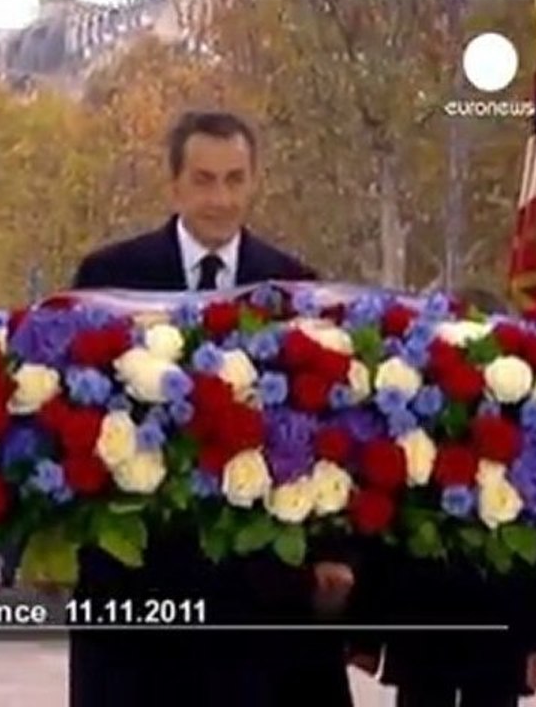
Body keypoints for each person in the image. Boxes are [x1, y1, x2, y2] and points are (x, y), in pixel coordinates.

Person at [70, 110, 357, 707]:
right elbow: (73, 416)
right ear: (174, 184)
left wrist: (335, 552)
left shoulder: (293, 286)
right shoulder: (110, 276)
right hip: (141, 575)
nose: (220, 198)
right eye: (203, 179)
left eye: (234, 178)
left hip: (259, 591)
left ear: (255, 182)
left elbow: (326, 430)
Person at [348, 286, 536, 707]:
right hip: (424, 618)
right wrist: (366, 633)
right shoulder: (415, 407)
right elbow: (383, 523)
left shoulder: (529, 416)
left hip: (501, 619)